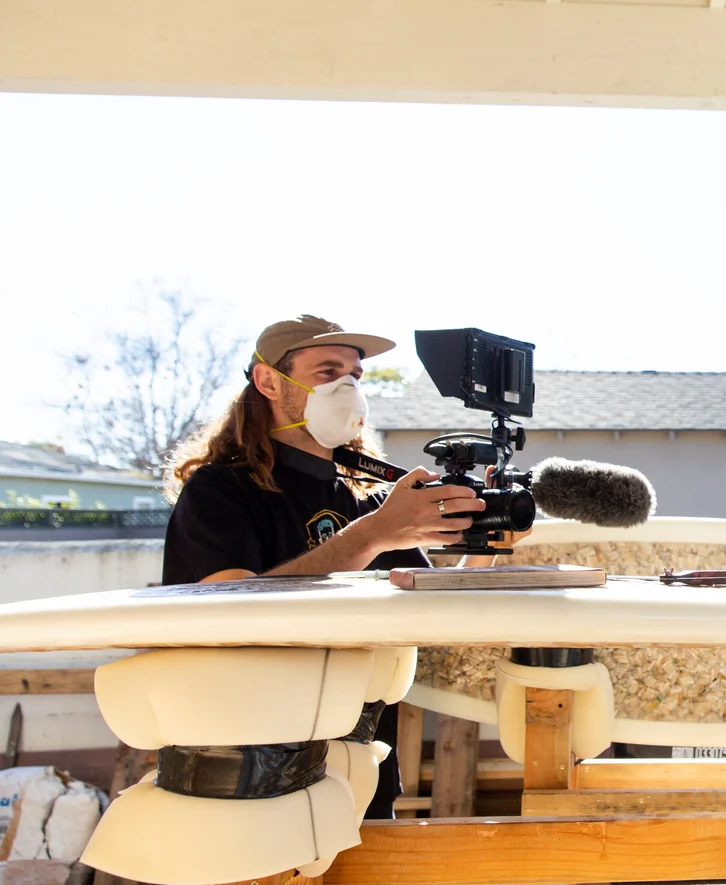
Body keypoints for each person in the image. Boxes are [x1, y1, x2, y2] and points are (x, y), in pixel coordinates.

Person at [163, 314, 488, 818]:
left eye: (355, 376)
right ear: (269, 381)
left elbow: (427, 596)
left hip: (360, 757)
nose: (347, 388)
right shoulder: (219, 490)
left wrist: (487, 541)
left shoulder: (361, 495)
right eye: (327, 371)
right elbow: (226, 609)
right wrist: (373, 534)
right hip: (248, 768)